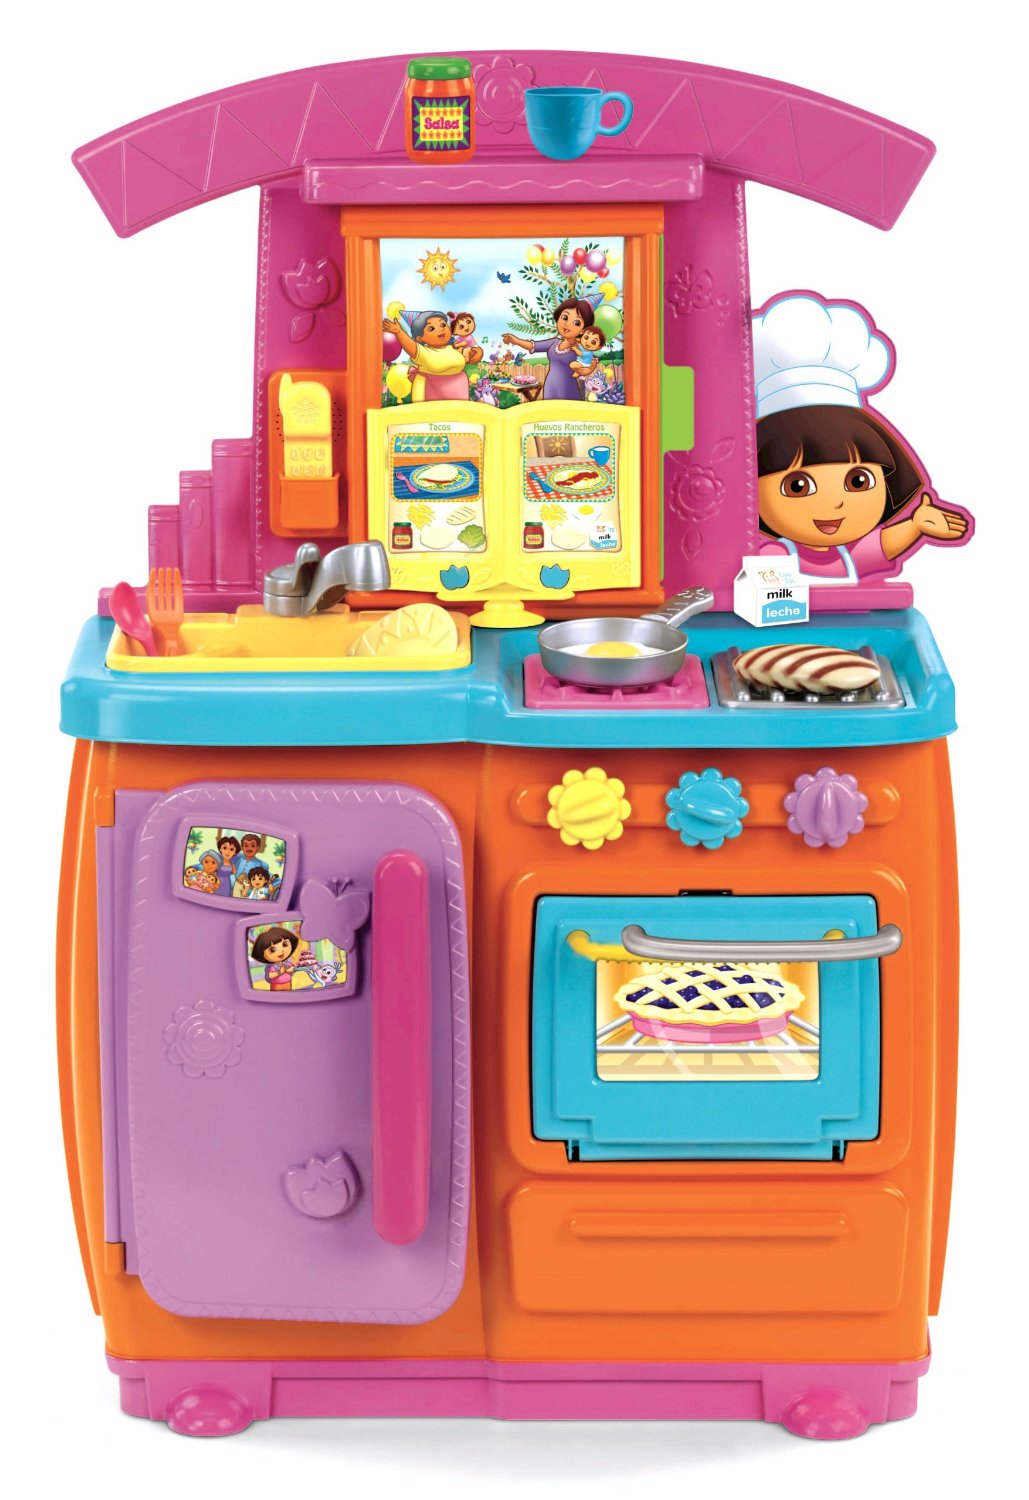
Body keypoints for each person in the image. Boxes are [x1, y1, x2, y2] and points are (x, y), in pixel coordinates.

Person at [752, 293, 969, 581]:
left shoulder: (848, 557)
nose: (834, 504)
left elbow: (882, 545)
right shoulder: (775, 556)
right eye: (797, 486)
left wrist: (916, 525)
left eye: (857, 481)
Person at [502, 294, 604, 401]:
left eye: (576, 322)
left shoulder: (581, 347)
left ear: (583, 330)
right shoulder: (554, 343)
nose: (567, 324)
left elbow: (593, 360)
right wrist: (515, 340)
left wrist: (589, 369)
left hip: (568, 390)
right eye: (565, 317)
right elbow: (533, 346)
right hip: (550, 387)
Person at [382, 309, 473, 402]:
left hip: (460, 396)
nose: (441, 329)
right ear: (420, 338)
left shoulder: (452, 348)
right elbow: (411, 346)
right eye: (431, 328)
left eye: (443, 325)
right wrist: (399, 332)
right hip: (433, 398)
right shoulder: (424, 352)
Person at [251, 926, 302, 991]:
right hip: (276, 985)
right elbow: (270, 975)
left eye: (285, 944)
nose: (281, 951)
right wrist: (280, 972)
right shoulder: (272, 966)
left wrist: (291, 970)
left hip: (288, 983)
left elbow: (293, 969)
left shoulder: (287, 963)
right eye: (272, 950)